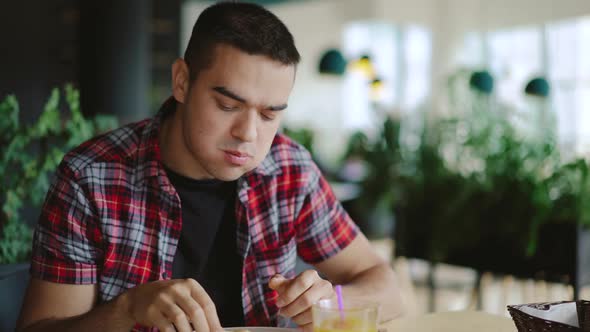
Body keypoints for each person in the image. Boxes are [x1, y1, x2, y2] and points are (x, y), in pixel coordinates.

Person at [16, 2, 405, 332]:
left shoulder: (290, 170)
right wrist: (125, 310)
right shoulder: (91, 178)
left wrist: (332, 300)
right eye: (228, 106)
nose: (248, 134)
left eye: (270, 114)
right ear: (182, 82)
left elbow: (388, 290)